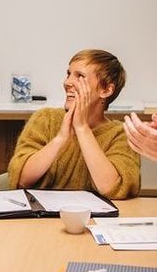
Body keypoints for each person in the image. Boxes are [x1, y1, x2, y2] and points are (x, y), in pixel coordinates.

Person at [8, 49, 140, 199]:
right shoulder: (45, 119)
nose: (67, 82)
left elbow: (113, 188)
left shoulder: (121, 135)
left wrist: (82, 129)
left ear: (106, 90)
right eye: (68, 74)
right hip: (41, 219)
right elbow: (20, 178)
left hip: (96, 220)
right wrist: (60, 139)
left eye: (80, 76)